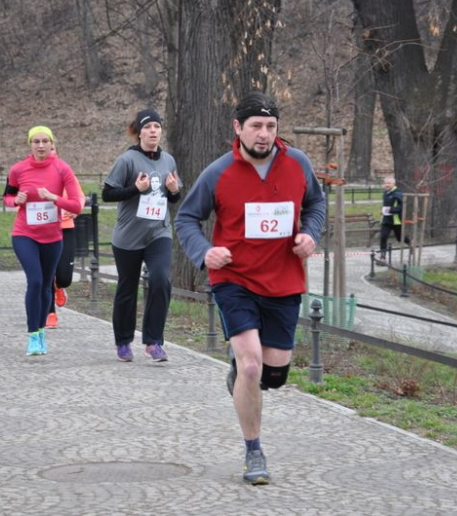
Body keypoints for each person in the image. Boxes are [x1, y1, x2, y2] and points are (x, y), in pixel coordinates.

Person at [175, 91, 325, 485]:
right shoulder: (218, 172)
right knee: (252, 364)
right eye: (256, 126)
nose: (264, 134)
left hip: (284, 279)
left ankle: (239, 371)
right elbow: (186, 218)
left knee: (273, 375)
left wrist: (311, 234)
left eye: (271, 127)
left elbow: (316, 205)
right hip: (234, 279)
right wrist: (204, 252)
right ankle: (254, 451)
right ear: (238, 128)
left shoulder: (298, 163)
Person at [102, 108, 181, 363]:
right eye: (148, 127)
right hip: (128, 237)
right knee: (127, 288)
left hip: (159, 232)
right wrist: (135, 188)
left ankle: (154, 341)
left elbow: (174, 196)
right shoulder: (127, 160)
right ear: (139, 133)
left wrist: (173, 189)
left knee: (160, 280)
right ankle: (123, 341)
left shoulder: (168, 160)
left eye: (157, 127)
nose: (153, 132)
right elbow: (107, 193)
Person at [3, 126, 82, 355]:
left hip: (53, 236)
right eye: (36, 141)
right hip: (24, 234)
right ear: (30, 144)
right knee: (35, 281)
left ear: (51, 143)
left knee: (47, 284)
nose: (40, 146)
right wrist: (15, 200)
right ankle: (33, 336)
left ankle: (41, 331)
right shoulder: (18, 170)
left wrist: (54, 198)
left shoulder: (62, 168)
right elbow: (7, 197)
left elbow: (77, 204)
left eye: (44, 141)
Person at [46, 150, 86, 329]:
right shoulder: (32, 173)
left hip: (65, 227)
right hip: (43, 229)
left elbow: (79, 197)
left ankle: (60, 286)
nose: (48, 152)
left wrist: (76, 208)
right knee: (46, 274)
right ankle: (50, 312)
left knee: (64, 277)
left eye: (51, 148)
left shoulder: (65, 171)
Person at [378, 175, 408, 262]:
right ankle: (383, 257)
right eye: (385, 183)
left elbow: (402, 206)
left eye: (389, 183)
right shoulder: (385, 193)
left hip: (396, 220)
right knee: (383, 237)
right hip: (386, 220)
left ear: (393, 183)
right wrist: (382, 210)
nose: (387, 185)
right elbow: (386, 205)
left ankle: (411, 244)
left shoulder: (398, 193)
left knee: (400, 238)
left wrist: (392, 210)